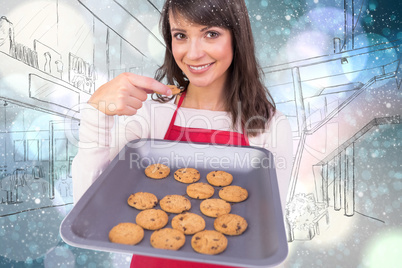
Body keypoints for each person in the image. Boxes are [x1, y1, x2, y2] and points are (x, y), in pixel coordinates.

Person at [72, 0, 293, 267]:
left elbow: (268, 240)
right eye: (181, 35)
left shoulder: (269, 126)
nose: (193, 53)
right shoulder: (151, 115)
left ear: (238, 38)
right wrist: (97, 116)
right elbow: (88, 213)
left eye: (211, 33)